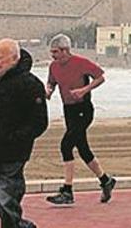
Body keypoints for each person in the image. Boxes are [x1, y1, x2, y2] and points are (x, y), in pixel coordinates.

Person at [0, 39, 48, 228]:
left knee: (7, 199)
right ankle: (20, 225)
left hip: (13, 152)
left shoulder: (30, 84)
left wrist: (16, 138)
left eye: (0, 57)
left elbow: (39, 122)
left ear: (14, 58)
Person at [44, 34, 116, 205]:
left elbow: (100, 77)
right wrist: (48, 91)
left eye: (55, 52)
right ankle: (106, 181)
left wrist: (84, 90)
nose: (52, 55)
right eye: (52, 52)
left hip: (83, 109)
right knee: (82, 148)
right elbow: (51, 83)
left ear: (65, 50)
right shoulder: (53, 66)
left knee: (66, 145)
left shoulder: (81, 62)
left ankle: (67, 191)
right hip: (68, 110)